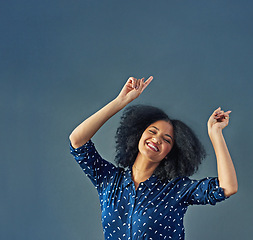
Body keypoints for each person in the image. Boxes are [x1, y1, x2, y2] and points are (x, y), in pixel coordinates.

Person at [69, 76, 238, 240]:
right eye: (152, 131)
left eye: (167, 140)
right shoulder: (109, 180)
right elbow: (77, 140)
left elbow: (227, 187)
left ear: (170, 153)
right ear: (137, 135)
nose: (157, 139)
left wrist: (215, 134)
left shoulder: (176, 190)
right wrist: (121, 101)